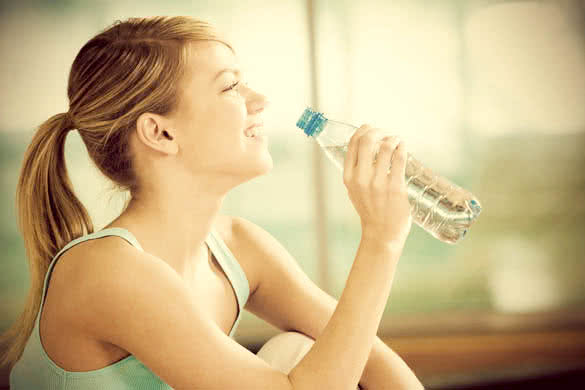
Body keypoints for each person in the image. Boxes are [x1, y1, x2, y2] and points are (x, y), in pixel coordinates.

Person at [0, 15, 424, 390]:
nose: (260, 100)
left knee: (298, 350)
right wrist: (381, 241)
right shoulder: (108, 271)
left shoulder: (238, 248)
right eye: (231, 86)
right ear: (160, 133)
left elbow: (373, 359)